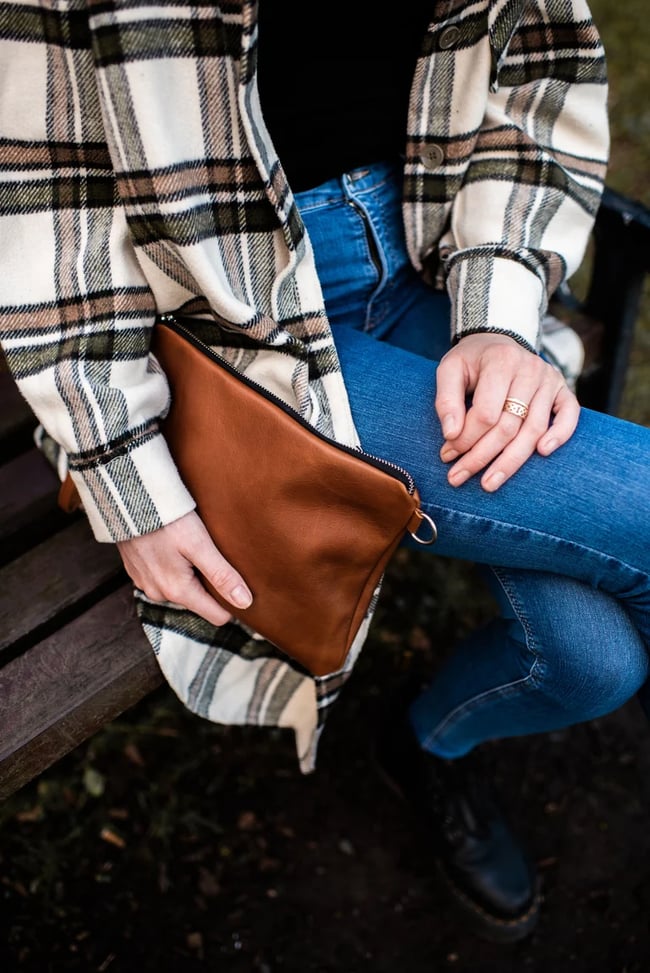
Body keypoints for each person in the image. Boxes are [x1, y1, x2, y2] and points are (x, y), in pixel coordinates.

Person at [1, 0, 648, 946]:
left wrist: (500, 308)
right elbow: (42, 190)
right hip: (239, 318)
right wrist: (123, 473)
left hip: (436, 247)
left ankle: (424, 742)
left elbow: (534, 68)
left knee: (595, 664)